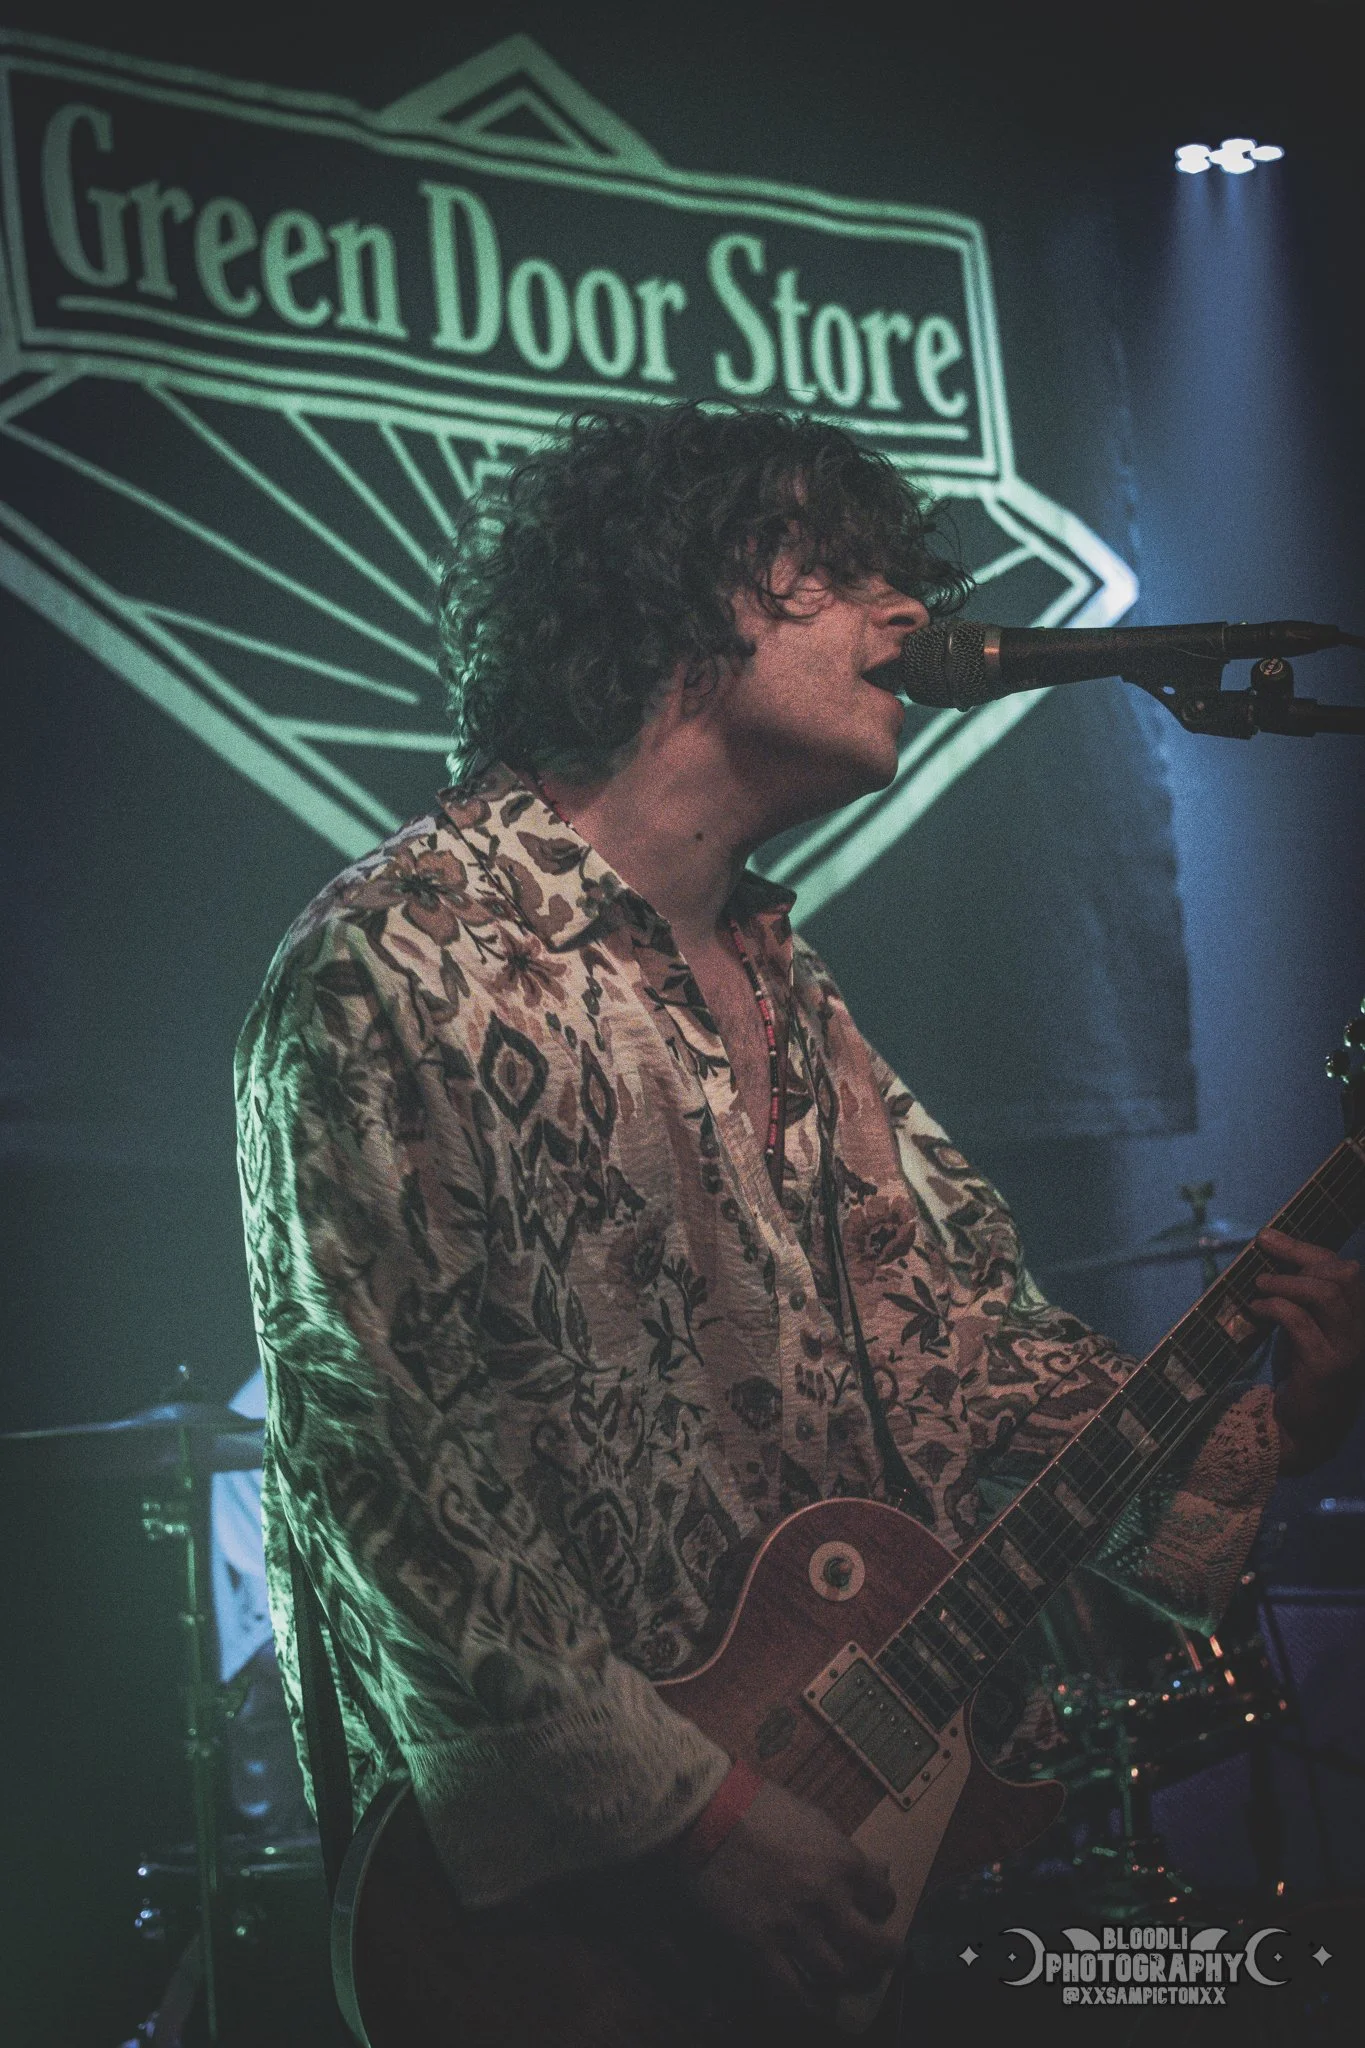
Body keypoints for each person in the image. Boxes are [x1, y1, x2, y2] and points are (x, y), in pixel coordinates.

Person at [235, 403, 1365, 2021]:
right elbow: (393, 1466)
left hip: (819, 1899)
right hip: (562, 1934)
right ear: (664, 602)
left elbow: (978, 1363)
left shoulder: (794, 995)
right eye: (833, 569)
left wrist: (1269, 1430)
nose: (909, 612)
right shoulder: (404, 958)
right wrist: (699, 1825)